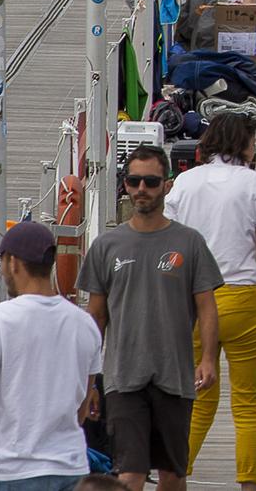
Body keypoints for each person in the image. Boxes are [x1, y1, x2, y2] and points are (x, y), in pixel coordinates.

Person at [160, 115, 256, 491]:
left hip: (193, 300)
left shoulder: (185, 183)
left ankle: (175, 473)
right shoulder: (254, 184)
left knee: (198, 400)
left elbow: (166, 244)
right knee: (248, 403)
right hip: (243, 299)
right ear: (244, 144)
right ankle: (249, 484)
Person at [80, 145, 221, 491]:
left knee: (173, 475)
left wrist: (207, 359)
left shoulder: (190, 242)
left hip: (175, 377)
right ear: (125, 184)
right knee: (129, 474)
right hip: (122, 379)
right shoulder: (106, 246)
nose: (141, 189)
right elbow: (94, 319)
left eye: (151, 181)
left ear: (168, 185)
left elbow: (206, 305)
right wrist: (87, 380)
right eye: (134, 181)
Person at [0, 220, 105, 491]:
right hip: (73, 469)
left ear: (13, 262)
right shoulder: (84, 323)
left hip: (15, 472)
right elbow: (82, 407)